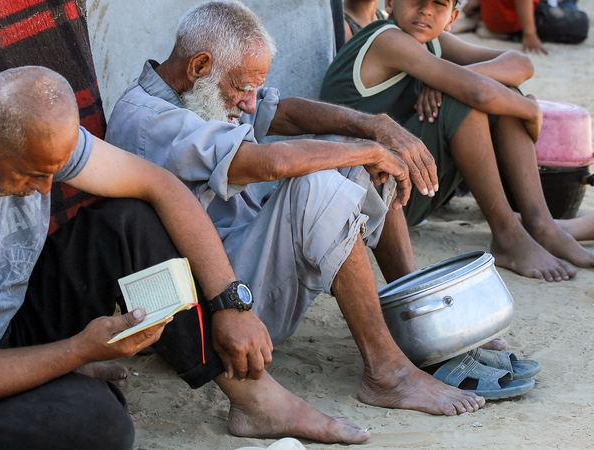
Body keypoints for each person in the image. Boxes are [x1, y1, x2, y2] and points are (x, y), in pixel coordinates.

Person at [0, 66, 369, 448]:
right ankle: (64, 376)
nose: (45, 189)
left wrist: (231, 303)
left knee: (131, 219)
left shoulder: (25, 133)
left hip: (0, 327)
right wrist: (75, 350)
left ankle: (256, 400)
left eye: (55, 172)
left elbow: (160, 185)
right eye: (32, 176)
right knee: (99, 427)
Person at [106, 0, 487, 436]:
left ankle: (417, 321)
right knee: (318, 185)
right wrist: (371, 147)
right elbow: (269, 163)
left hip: (242, 265)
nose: (250, 104)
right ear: (200, 65)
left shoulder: (196, 89)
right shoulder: (150, 120)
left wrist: (373, 128)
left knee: (348, 151)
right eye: (243, 88)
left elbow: (280, 112)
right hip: (221, 308)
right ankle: (387, 373)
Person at [320, 0, 594, 282]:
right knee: (464, 99)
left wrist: (448, 80)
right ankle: (507, 236)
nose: (426, 10)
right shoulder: (387, 39)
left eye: (438, 4)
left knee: (501, 89)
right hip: (364, 201)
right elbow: (478, 95)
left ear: (452, 17)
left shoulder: (435, 40)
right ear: (391, 2)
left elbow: (521, 63)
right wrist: (530, 110)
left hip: (406, 191)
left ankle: (541, 224)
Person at [454, 0, 589, 55]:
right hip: (515, 18)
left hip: (493, 12)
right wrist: (529, 34)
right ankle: (509, 34)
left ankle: (481, 16)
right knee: (581, 24)